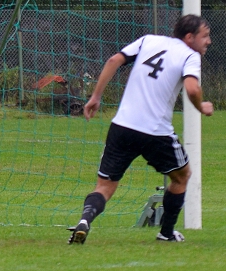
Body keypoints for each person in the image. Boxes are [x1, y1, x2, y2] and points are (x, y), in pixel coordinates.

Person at [69, 14, 213, 245]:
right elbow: (193, 90)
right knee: (182, 176)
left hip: (122, 126)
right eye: (205, 36)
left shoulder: (148, 40)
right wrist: (201, 106)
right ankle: (166, 233)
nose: (208, 41)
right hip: (156, 132)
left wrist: (96, 96)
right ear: (189, 37)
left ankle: (85, 220)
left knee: (104, 186)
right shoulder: (190, 55)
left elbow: (113, 60)